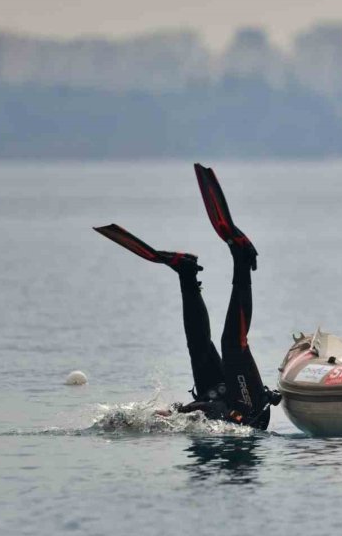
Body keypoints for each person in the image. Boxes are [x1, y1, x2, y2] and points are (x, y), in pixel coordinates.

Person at [94, 164, 279, 430]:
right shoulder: (191, 418)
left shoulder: (184, 418)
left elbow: (201, 410)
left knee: (200, 345)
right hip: (247, 410)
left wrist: (174, 412)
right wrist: (179, 411)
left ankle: (187, 274)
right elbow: (206, 410)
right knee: (232, 344)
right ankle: (236, 258)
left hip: (226, 407)